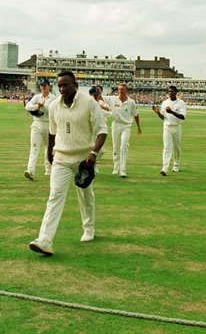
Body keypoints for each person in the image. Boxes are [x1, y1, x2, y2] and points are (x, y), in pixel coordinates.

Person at [29, 70, 107, 256]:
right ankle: (45, 240)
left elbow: (102, 130)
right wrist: (49, 153)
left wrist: (94, 153)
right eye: (60, 85)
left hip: (84, 159)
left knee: (85, 195)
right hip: (62, 158)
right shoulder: (54, 106)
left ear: (75, 86)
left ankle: (89, 229)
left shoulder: (89, 103)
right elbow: (52, 131)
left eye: (66, 85)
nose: (62, 88)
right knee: (54, 196)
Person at [104, 83, 142, 177]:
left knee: (123, 146)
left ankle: (123, 169)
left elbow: (135, 115)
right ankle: (116, 168)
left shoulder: (131, 102)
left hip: (126, 125)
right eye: (119, 89)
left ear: (126, 91)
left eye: (122, 89)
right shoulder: (113, 99)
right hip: (116, 124)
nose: (120, 91)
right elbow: (100, 98)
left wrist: (138, 127)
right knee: (116, 147)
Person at [24, 78, 57, 180]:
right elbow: (27, 107)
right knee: (34, 147)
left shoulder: (54, 98)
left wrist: (44, 108)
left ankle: (49, 170)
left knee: (49, 148)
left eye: (45, 85)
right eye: (41, 85)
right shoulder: (37, 97)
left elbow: (53, 113)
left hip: (49, 124)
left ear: (48, 86)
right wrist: (37, 106)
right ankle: (30, 171)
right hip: (37, 123)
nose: (43, 87)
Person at [152, 85, 186, 176]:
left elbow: (183, 117)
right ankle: (165, 168)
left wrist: (172, 112)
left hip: (177, 127)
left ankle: (176, 164)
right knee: (167, 147)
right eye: (169, 91)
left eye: (172, 91)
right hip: (167, 127)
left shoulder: (181, 103)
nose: (170, 93)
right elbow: (163, 117)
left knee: (176, 147)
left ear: (176, 92)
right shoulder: (164, 103)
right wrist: (158, 113)